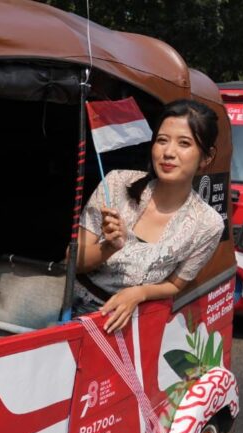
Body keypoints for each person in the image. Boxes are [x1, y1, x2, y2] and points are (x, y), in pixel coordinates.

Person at [75, 99, 224, 334]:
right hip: (70, 314)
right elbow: (73, 263)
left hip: (132, 327)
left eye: (184, 143)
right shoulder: (115, 184)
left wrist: (140, 292)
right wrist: (109, 247)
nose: (168, 152)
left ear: (206, 157)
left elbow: (176, 284)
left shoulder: (208, 224)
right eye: (162, 140)